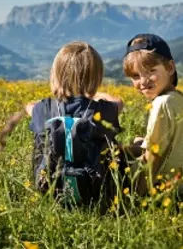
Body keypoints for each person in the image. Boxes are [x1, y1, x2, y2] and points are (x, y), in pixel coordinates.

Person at [26, 41, 124, 206]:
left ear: (55, 75)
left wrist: (59, 93)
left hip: (48, 189)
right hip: (96, 193)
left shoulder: (44, 108)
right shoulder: (100, 110)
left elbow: (29, 106)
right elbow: (118, 102)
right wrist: (92, 94)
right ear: (97, 79)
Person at [123, 33, 183, 195]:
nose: (143, 81)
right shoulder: (177, 98)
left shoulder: (161, 104)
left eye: (150, 71)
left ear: (170, 68)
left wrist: (137, 197)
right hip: (177, 180)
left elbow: (153, 156)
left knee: (108, 160)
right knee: (136, 142)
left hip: (164, 188)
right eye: (136, 76)